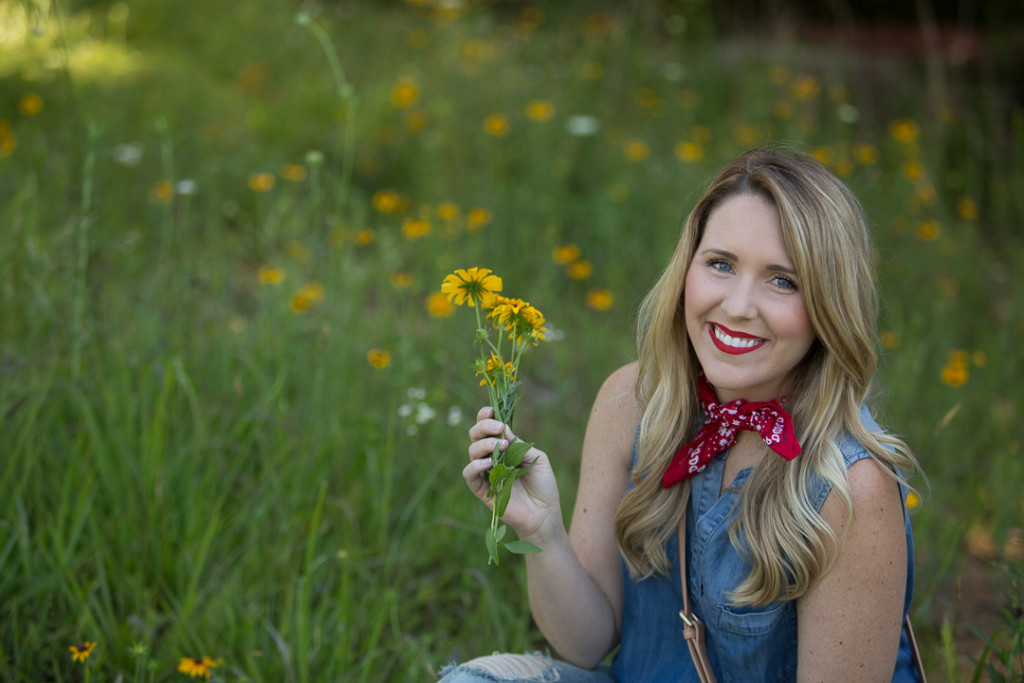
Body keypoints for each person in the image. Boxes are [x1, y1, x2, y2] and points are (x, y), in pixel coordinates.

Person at [438, 148, 922, 682]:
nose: (738, 306)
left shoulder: (850, 485)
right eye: (721, 264)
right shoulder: (634, 401)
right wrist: (543, 530)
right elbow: (584, 643)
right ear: (686, 268)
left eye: (782, 280)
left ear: (829, 305)